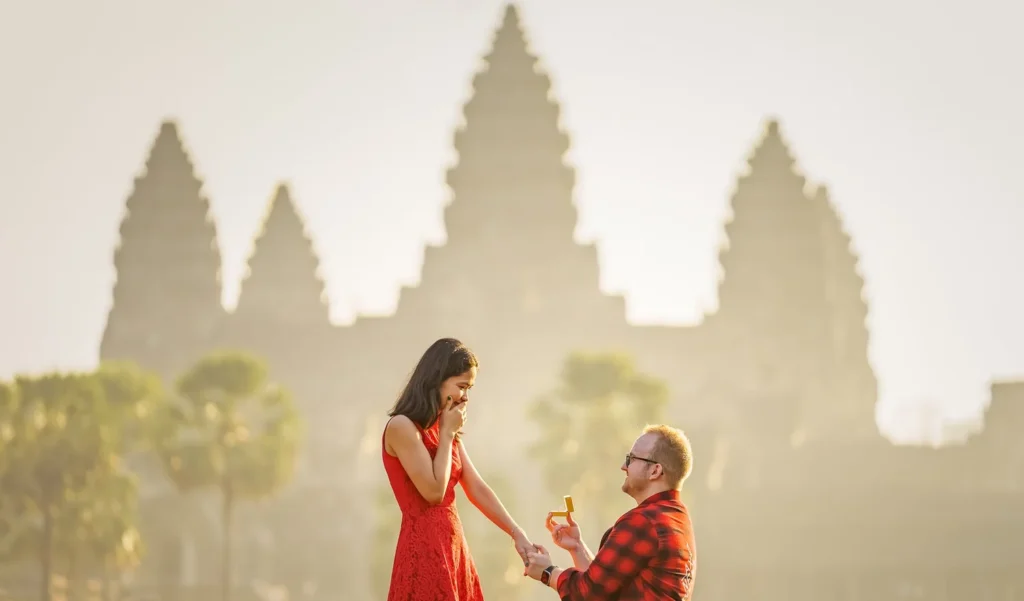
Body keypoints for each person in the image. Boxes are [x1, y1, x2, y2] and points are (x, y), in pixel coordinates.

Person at [382, 337, 536, 601]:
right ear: (437, 380)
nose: (465, 397)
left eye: (470, 388)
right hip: (423, 549)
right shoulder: (402, 427)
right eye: (461, 386)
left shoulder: (445, 428)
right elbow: (433, 492)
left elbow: (475, 487)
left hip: (453, 545)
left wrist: (516, 532)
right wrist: (446, 434)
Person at [525, 424, 697, 600]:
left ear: (655, 471)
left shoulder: (644, 521)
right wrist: (577, 548)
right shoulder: (677, 518)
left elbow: (588, 594)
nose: (624, 466)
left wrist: (547, 572)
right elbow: (605, 588)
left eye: (631, 459)